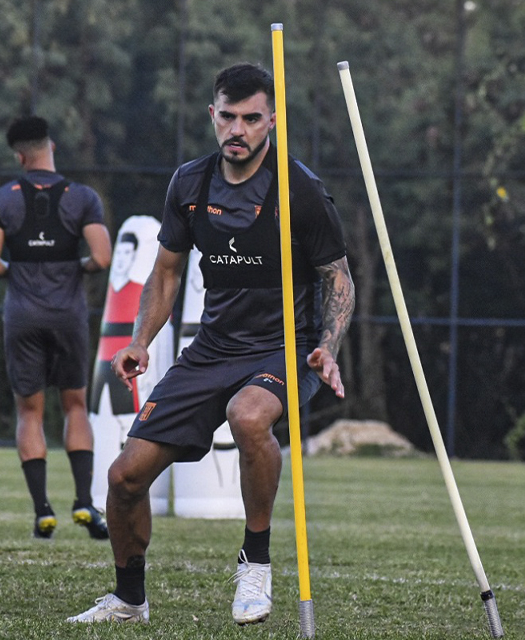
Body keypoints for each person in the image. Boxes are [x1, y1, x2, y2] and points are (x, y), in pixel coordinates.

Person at [68, 62, 355, 625]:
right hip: (211, 350)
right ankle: (129, 599)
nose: (238, 130)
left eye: (252, 118)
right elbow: (167, 273)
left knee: (249, 416)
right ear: (212, 116)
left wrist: (328, 343)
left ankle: (256, 563)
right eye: (229, 116)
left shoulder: (299, 189)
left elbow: (338, 277)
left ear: (273, 120)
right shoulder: (190, 184)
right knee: (123, 478)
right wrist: (140, 341)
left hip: (284, 347)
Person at [0, 115, 113, 540]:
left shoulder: (3, 199)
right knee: (75, 405)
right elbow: (102, 258)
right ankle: (84, 503)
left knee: (29, 411)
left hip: (22, 315)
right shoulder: (82, 197)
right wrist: (72, 267)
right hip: (68, 314)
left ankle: (42, 512)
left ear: (19, 155)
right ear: (50, 146)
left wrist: (20, 270)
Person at [90, 232, 144, 417]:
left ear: (135, 255)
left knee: (128, 419)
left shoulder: (142, 291)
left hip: (130, 363)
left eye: (126, 253)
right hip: (106, 362)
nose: (121, 259)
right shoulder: (112, 294)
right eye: (118, 253)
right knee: (103, 417)